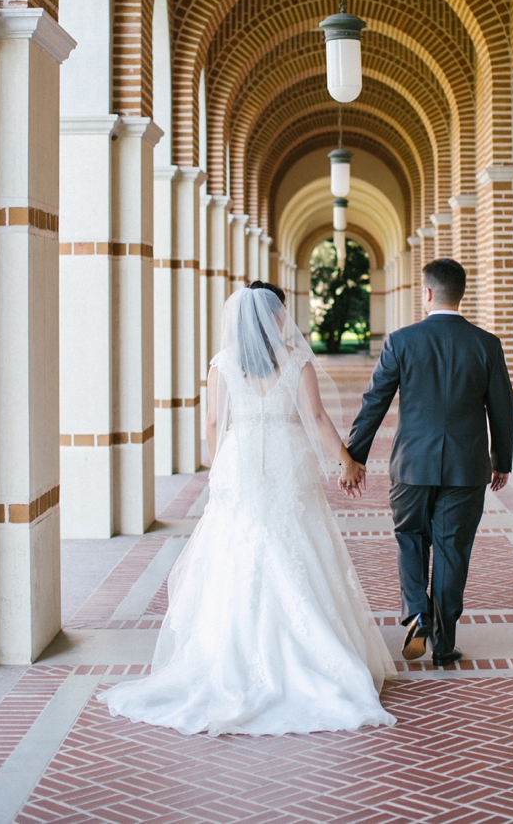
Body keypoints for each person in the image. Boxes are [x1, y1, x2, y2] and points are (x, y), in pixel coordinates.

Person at [99, 281, 396, 736]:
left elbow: (215, 424)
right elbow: (316, 419)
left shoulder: (223, 365)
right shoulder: (296, 362)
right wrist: (347, 461)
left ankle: (230, 656)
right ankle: (309, 654)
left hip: (239, 462)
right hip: (286, 460)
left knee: (239, 549)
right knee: (294, 543)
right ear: (276, 316)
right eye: (280, 311)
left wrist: (220, 473)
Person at [341, 258, 513, 666]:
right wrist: (500, 460)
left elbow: (375, 403)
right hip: (465, 466)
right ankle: (445, 641)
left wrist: (355, 457)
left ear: (428, 294)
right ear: (461, 294)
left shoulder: (401, 341)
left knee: (410, 538)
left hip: (411, 466)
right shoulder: (486, 344)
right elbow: (502, 410)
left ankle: (417, 612)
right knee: (453, 548)